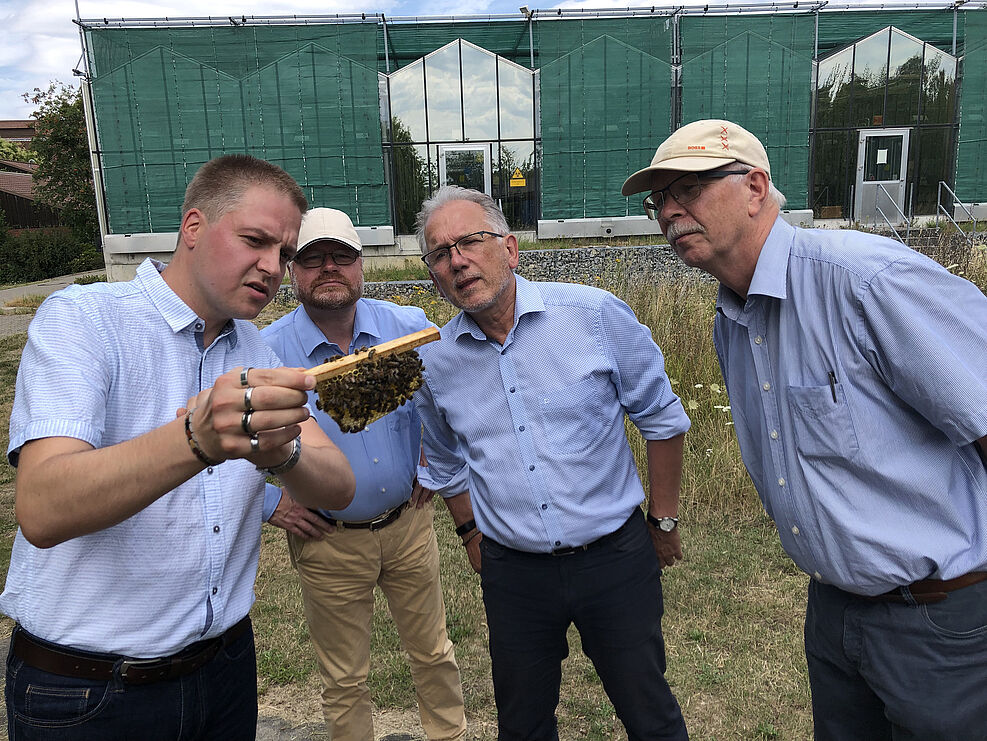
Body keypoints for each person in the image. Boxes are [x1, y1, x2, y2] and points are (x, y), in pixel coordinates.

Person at [621, 118, 987, 741]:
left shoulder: (864, 279)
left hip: (940, 619)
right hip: (835, 613)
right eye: (660, 199)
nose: (670, 211)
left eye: (691, 188)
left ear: (756, 187)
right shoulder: (731, 318)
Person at [1, 154, 356, 741]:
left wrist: (283, 456)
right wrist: (194, 439)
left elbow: (338, 486)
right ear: (192, 227)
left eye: (284, 254)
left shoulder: (257, 351)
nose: (272, 268)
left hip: (224, 671)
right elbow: (41, 507)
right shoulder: (86, 319)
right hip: (88, 690)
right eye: (255, 240)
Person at [412, 185, 692, 741]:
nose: (458, 260)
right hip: (514, 575)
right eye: (440, 254)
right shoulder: (435, 361)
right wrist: (472, 537)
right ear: (434, 276)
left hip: (614, 559)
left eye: (470, 241)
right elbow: (445, 461)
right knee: (523, 721)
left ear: (510, 249)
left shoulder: (593, 315)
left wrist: (662, 520)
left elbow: (661, 418)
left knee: (647, 710)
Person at [260, 207, 467, 741]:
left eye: (342, 257)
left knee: (434, 652)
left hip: (409, 527)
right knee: (344, 679)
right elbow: (225, 445)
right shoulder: (265, 351)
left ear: (360, 265)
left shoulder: (409, 327)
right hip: (329, 541)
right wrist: (268, 504)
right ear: (292, 271)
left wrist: (434, 464)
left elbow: (447, 404)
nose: (329, 268)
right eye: (312, 259)